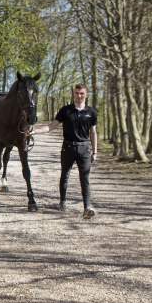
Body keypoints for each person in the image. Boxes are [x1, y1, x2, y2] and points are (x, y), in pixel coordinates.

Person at [55, 83, 98, 219]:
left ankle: (87, 208)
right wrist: (35, 130)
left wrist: (95, 152)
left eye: (82, 93)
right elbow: (52, 125)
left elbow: (93, 132)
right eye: (76, 93)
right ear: (73, 94)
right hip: (67, 147)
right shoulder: (65, 110)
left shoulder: (92, 112)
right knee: (65, 175)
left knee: (84, 178)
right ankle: (62, 202)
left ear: (86, 94)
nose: (79, 96)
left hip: (84, 149)